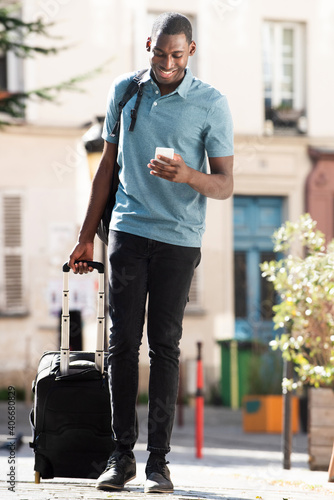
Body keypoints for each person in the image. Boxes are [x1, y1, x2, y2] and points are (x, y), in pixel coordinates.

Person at [68, 11, 234, 494]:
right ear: (148, 45)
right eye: (159, 53)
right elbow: (106, 167)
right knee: (122, 343)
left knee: (164, 346)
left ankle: (158, 463)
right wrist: (85, 234)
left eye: (176, 55)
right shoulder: (125, 90)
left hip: (179, 239)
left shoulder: (211, 104)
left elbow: (224, 184)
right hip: (126, 230)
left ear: (191, 53)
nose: (166, 63)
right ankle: (120, 458)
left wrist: (188, 177)